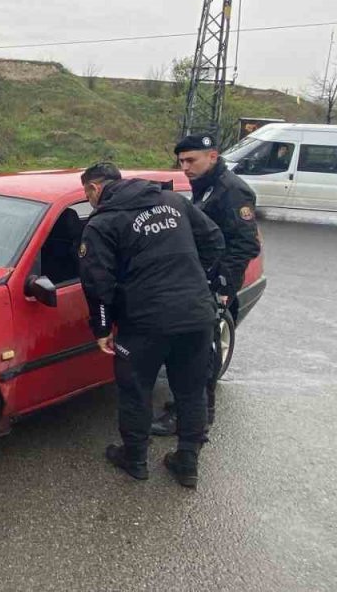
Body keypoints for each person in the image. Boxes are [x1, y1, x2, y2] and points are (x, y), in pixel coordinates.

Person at [78, 162, 224, 488]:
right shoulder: (173, 201)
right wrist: (193, 280)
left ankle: (134, 459)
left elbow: (97, 282)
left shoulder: (102, 222)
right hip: (196, 315)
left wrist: (102, 328)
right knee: (192, 390)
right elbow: (214, 240)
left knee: (136, 389)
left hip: (144, 323)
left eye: (87, 194)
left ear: (94, 189)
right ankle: (187, 462)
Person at [152, 132, 263, 436]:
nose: (184, 167)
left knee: (198, 357)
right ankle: (195, 411)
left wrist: (222, 286)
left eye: (191, 160)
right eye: (181, 162)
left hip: (213, 284)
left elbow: (245, 244)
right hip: (200, 279)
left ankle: (190, 417)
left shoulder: (232, 190)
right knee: (197, 353)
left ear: (212, 156)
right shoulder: (206, 185)